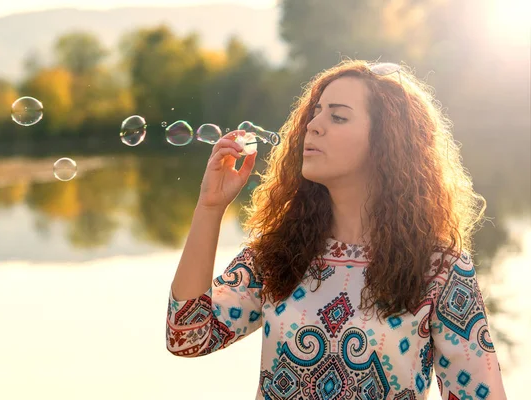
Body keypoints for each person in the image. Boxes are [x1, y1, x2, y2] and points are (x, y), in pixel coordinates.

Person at [165, 59, 507, 399]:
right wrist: (210, 208)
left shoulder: (441, 270)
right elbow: (187, 336)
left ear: (387, 141)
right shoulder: (278, 254)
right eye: (315, 112)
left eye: (338, 116)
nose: (313, 125)